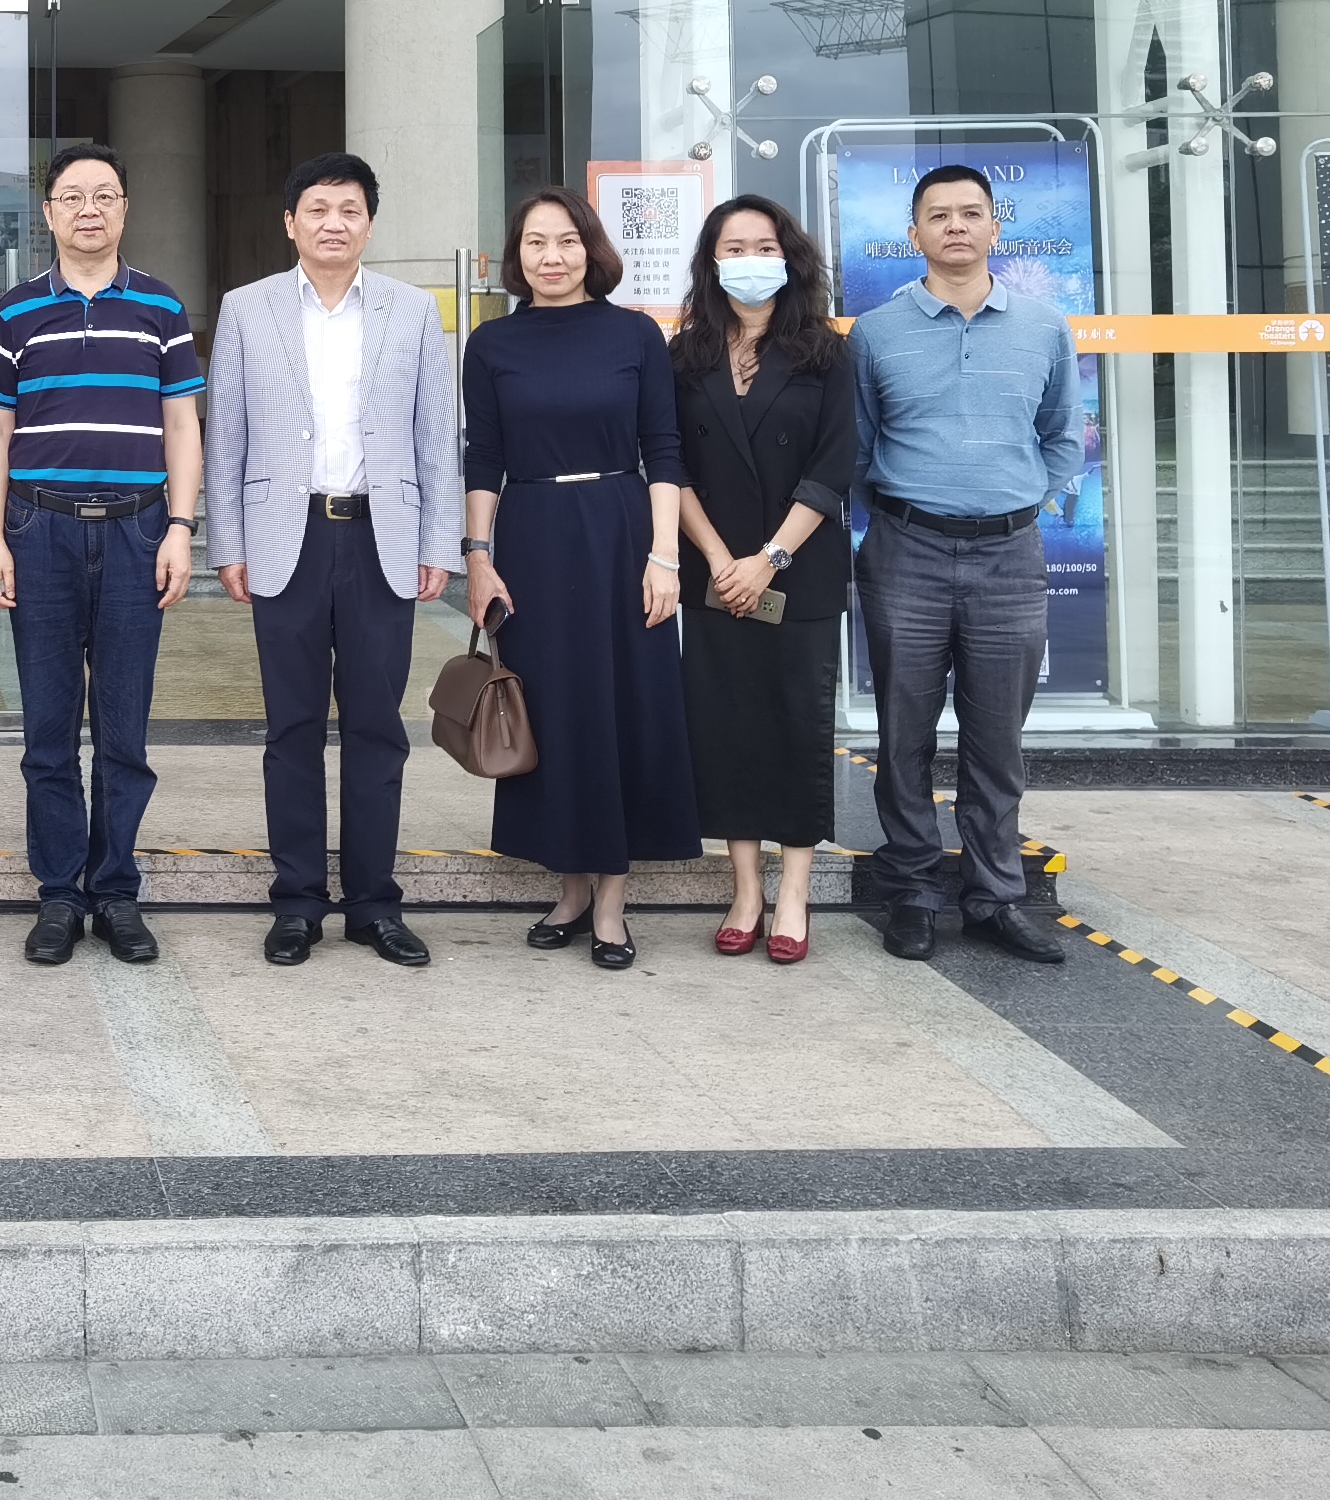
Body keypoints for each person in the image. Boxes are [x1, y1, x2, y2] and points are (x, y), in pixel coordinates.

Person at [204, 153, 456, 968]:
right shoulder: (247, 309)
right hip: (289, 538)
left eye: (349, 209)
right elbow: (226, 435)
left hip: (383, 537)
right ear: (291, 223)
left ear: (369, 224)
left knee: (379, 727)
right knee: (293, 728)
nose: (333, 223)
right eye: (317, 209)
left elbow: (436, 436)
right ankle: (298, 902)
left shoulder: (413, 311)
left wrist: (438, 541)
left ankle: (375, 905)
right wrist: (228, 542)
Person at [0, 143, 204, 969]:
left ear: (125, 208)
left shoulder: (161, 307)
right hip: (40, 530)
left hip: (139, 531)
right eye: (72, 196)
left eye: (104, 195)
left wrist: (182, 527)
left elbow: (182, 424)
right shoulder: (16, 312)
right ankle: (59, 895)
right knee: (47, 729)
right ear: (49, 213)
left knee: (123, 729)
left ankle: (115, 891)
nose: (89, 209)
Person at [852, 162, 1082, 965]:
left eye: (970, 213)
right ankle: (912, 892)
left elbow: (1062, 437)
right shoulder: (876, 332)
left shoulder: (1044, 327)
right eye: (939, 214)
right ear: (913, 233)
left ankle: (994, 896)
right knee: (903, 733)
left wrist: (1016, 501)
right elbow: (858, 445)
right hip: (905, 551)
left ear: (994, 227)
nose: (955, 226)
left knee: (997, 739)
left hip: (1010, 556)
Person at [461, 188, 695, 971]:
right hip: (530, 537)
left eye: (566, 241)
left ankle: (613, 903)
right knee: (550, 711)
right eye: (535, 242)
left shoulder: (636, 334)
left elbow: (664, 448)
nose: (552, 257)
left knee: (620, 708)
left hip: (622, 531)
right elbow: (483, 457)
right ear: (516, 256)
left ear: (591, 249)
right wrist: (478, 556)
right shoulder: (492, 344)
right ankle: (567, 889)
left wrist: (664, 556)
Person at [668, 192, 857, 965]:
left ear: (791, 257)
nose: (750, 261)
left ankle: (794, 893)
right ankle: (745, 889)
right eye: (734, 249)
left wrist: (769, 558)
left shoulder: (826, 352)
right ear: (712, 262)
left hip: (797, 573)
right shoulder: (686, 354)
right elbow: (669, 464)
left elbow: (835, 464)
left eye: (764, 247)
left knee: (796, 726)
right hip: (714, 574)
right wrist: (720, 561)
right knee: (726, 727)